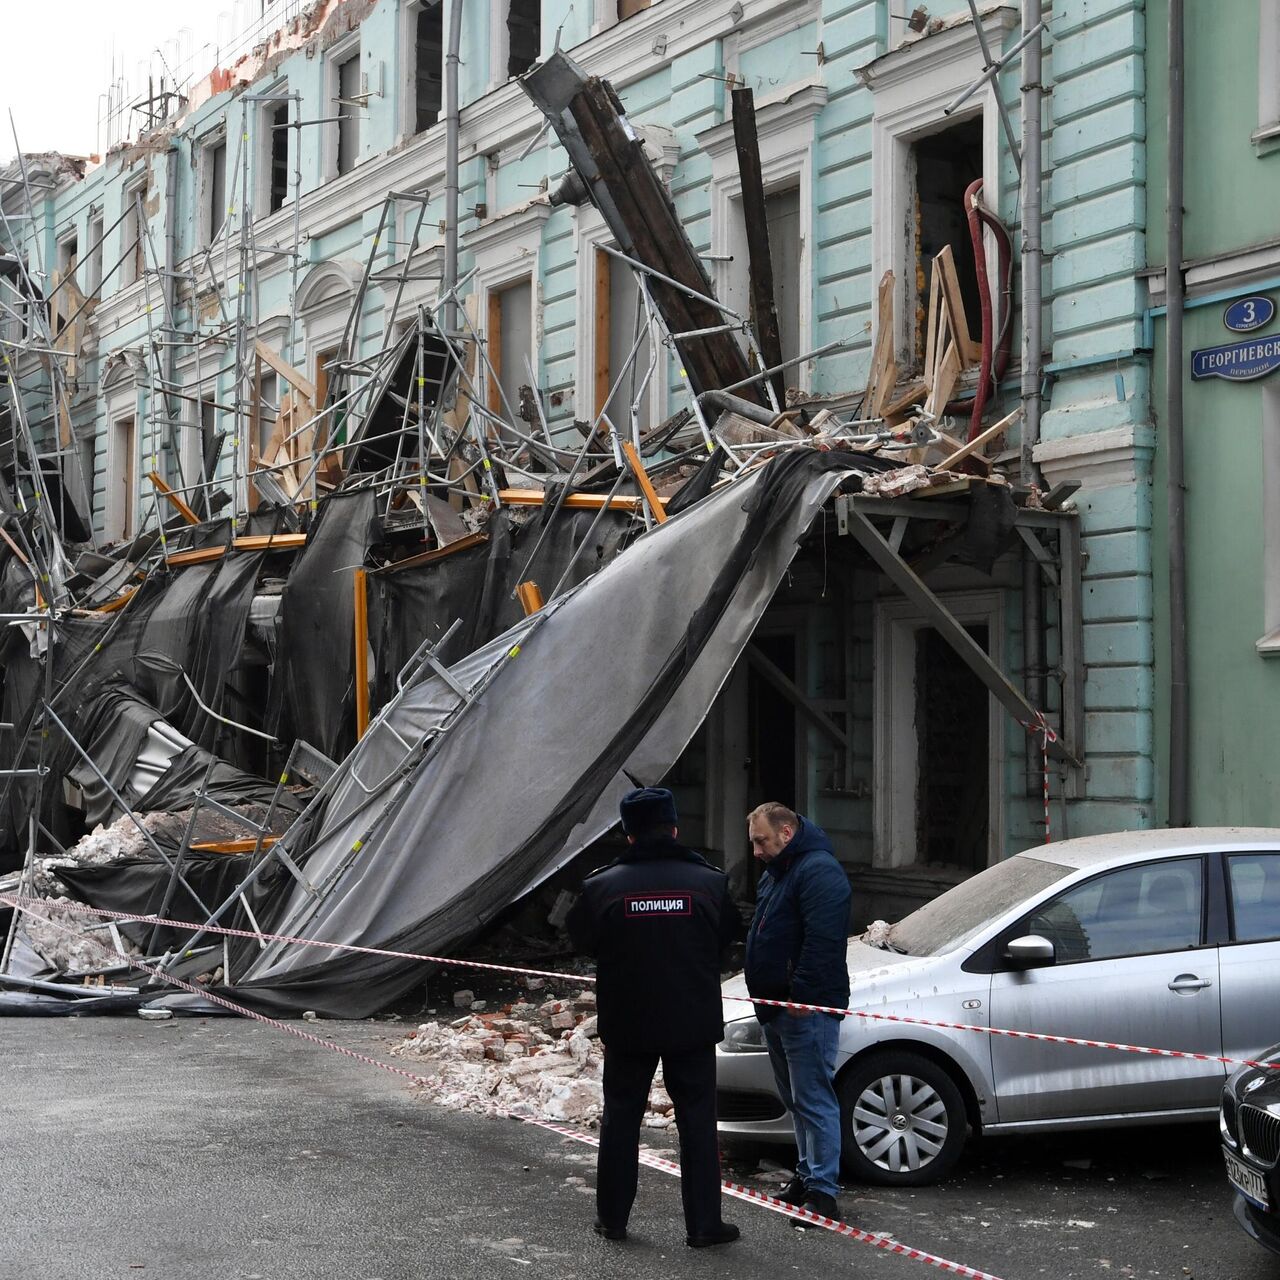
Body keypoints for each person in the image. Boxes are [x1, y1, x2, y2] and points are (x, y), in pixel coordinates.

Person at [567, 786, 743, 1248]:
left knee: (621, 1120)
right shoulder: (709, 882)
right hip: (692, 1021)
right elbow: (727, 936)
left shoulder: (601, 886)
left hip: (629, 1024)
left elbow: (582, 940)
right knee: (698, 1123)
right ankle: (704, 1225)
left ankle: (612, 1219)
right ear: (675, 828)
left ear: (627, 835)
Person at [743, 801, 851, 1221]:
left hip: (805, 1008)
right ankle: (807, 1177)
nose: (755, 852)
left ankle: (823, 1192)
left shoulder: (817, 870)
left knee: (813, 1099)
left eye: (761, 841)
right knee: (797, 1099)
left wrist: (802, 997)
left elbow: (823, 941)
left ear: (786, 834)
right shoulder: (781, 871)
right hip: (778, 1006)